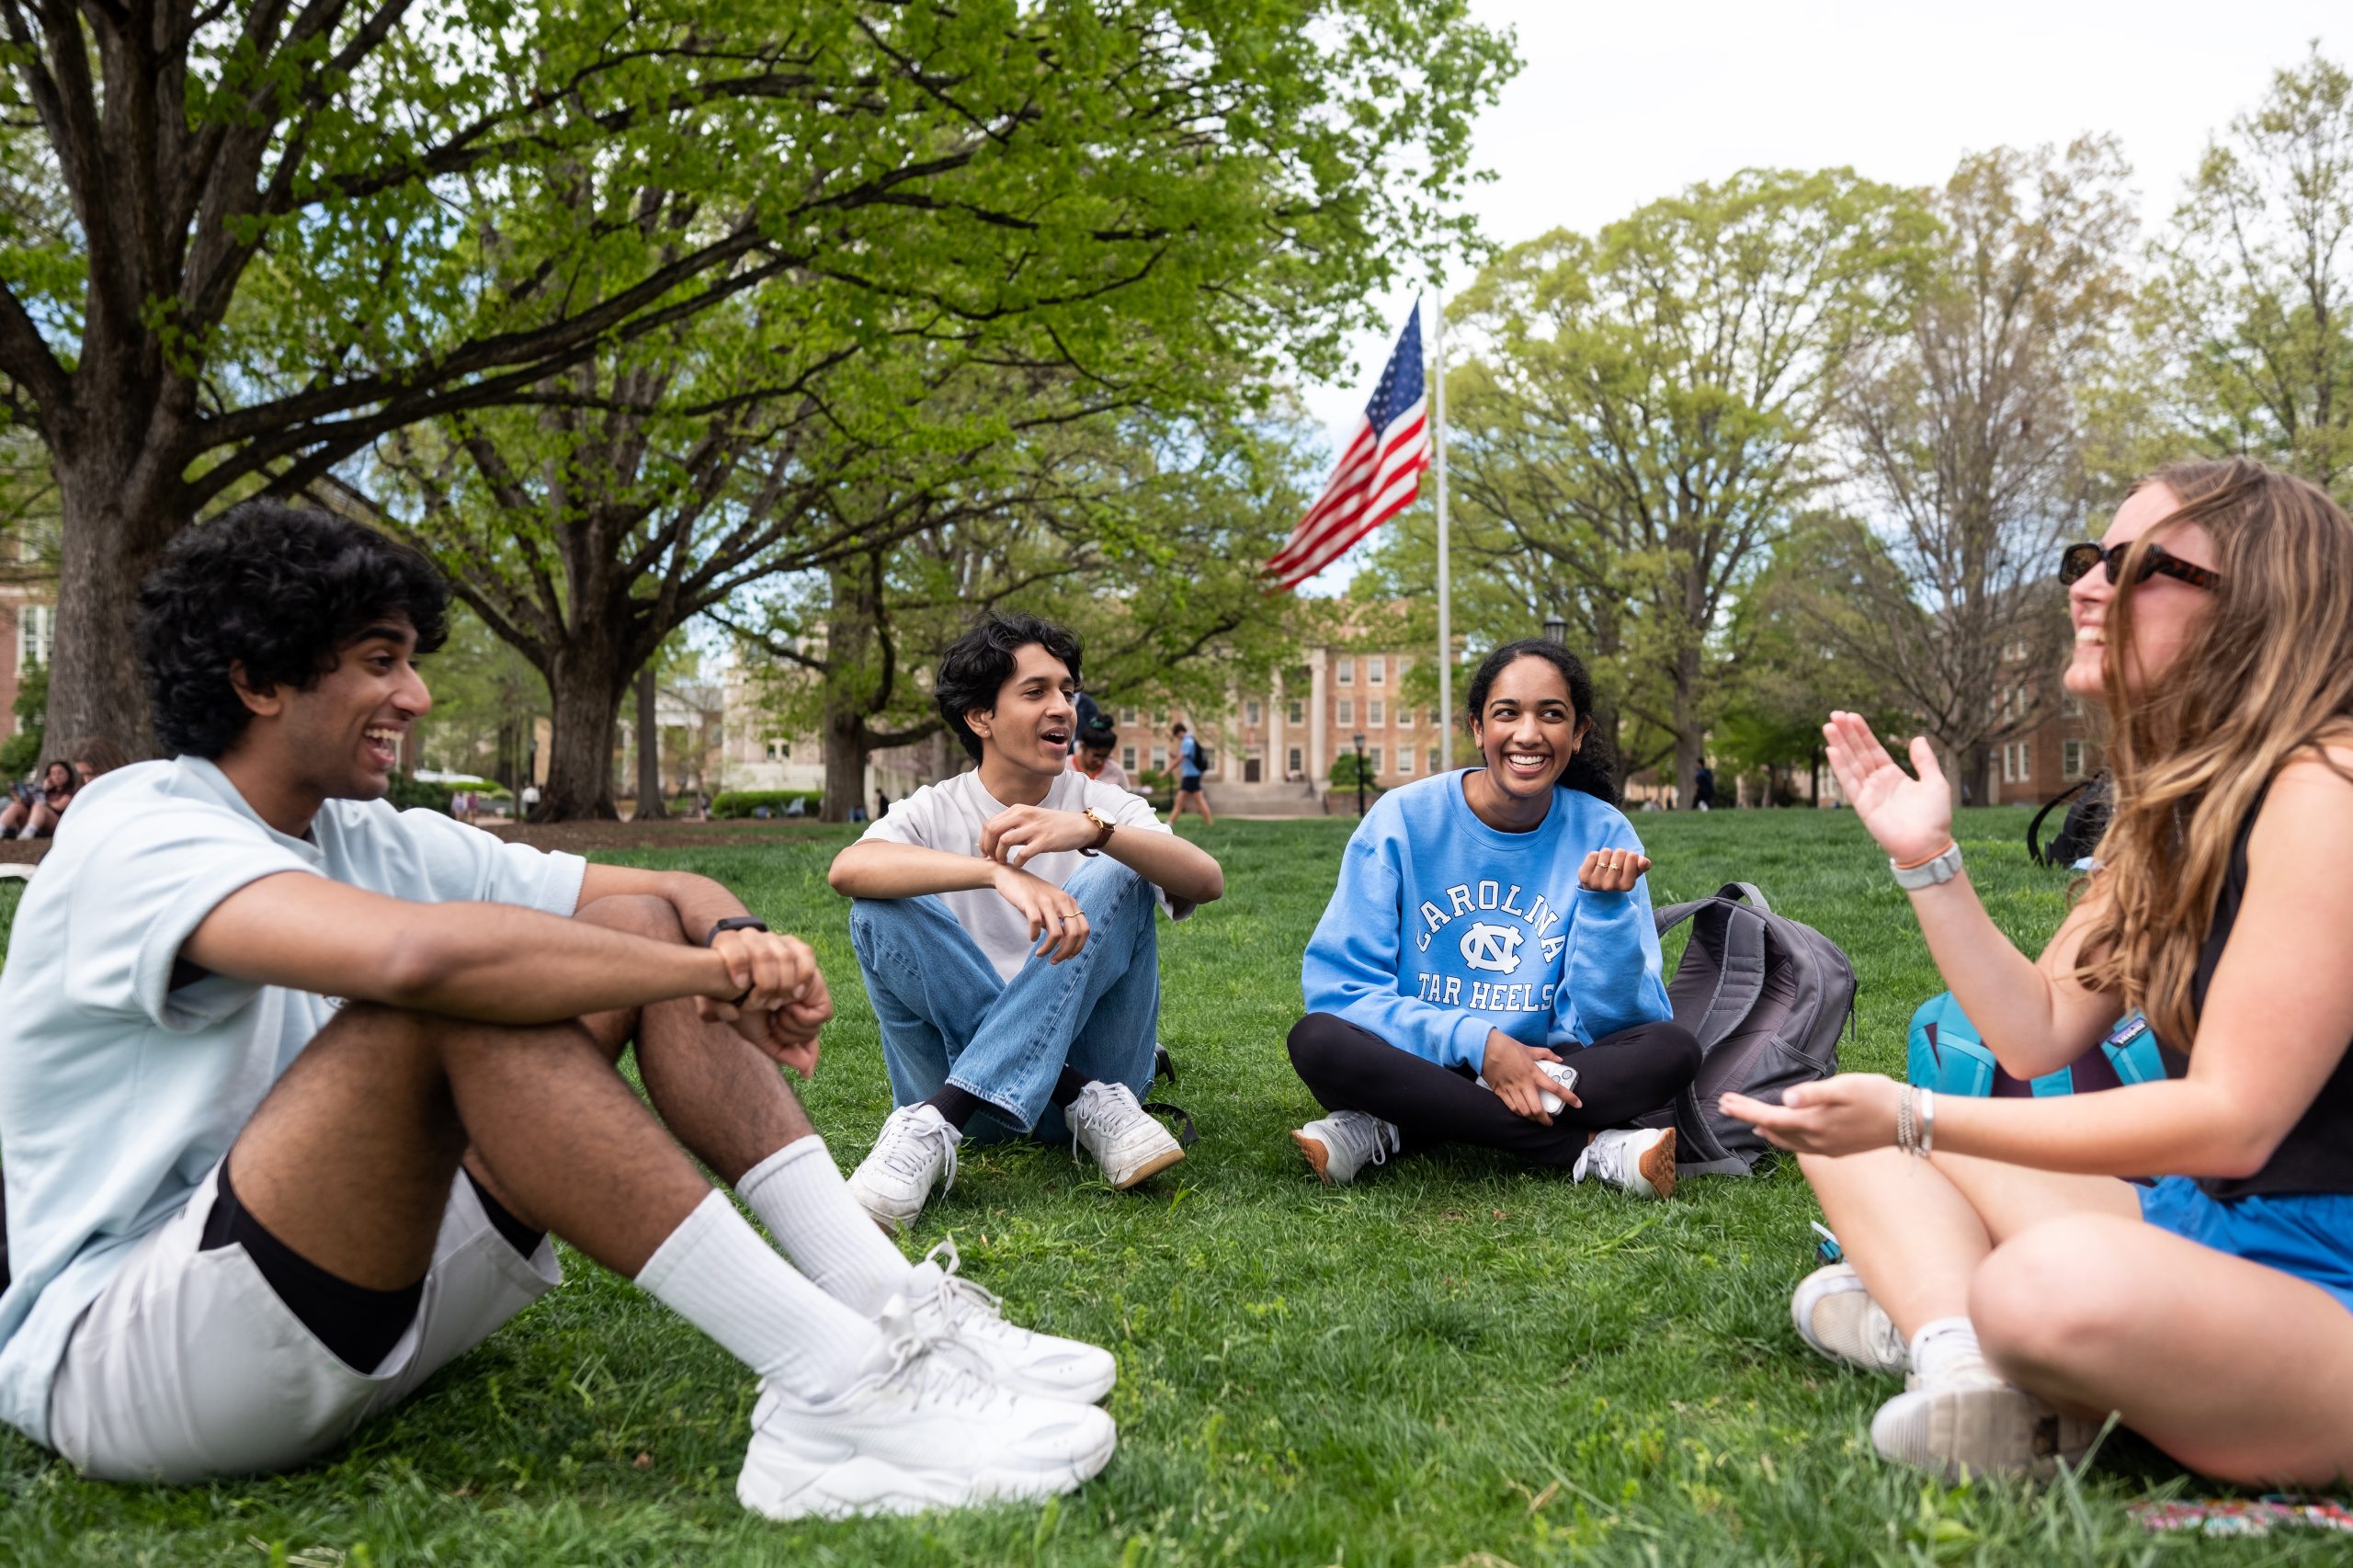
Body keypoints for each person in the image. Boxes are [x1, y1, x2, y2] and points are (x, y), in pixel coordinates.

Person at [0, 501, 1116, 1516]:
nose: (418, 695)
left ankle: (879, 1302)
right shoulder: (136, 824)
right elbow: (417, 959)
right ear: (257, 679)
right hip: (141, 1358)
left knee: (632, 929)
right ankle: (829, 1381)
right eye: (381, 662)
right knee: (451, 997)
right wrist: (699, 979)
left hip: (359, 1298)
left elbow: (669, 895)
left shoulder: (367, 833)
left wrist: (736, 941)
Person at [1722, 458, 2353, 1488]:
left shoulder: (2324, 785)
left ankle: (1980, 1321)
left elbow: (2233, 1118)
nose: (2086, 585)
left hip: (2333, 1274)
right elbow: (2039, 1029)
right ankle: (1967, 1370)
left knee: (2040, 1282)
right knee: (1832, 1126)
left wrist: (1917, 1116)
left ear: (2257, 609)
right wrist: (1926, 859)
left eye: (2136, 564)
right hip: (2218, 1225)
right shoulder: (2172, 804)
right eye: (2087, 557)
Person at [827, 613, 1225, 1231]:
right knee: (879, 903)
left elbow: (1206, 880)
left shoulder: (1102, 803)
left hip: (1095, 1081)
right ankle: (1072, 1093)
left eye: (1066, 690)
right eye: (1035, 691)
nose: (1063, 708)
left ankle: (935, 1122)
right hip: (1012, 1092)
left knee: (1119, 871)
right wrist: (992, 872)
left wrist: (1097, 832)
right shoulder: (937, 809)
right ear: (979, 716)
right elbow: (849, 869)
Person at [1284, 639, 1699, 1199]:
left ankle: (1399, 1121)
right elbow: (1341, 992)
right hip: (1419, 1053)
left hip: (1549, 1061)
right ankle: (1588, 1151)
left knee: (1672, 1051)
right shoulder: (1402, 820)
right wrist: (1479, 1043)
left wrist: (1604, 914)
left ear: (1577, 735)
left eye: (1552, 715)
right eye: (1508, 713)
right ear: (1478, 728)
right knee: (1318, 1040)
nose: (1528, 734)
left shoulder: (1603, 833)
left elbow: (1623, 1022)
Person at [0, 759, 77, 839]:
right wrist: (44, 789)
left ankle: (28, 832)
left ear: (68, 774)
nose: (56, 777)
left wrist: (42, 800)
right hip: (37, 822)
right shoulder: (47, 791)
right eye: (53, 774)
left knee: (39, 805)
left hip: (57, 824)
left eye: (60, 773)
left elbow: (59, 806)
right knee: (16, 806)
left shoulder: (70, 792)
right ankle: (1, 828)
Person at [1070, 715, 1132, 792]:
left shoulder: (1116, 772)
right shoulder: (1064, 768)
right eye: (1096, 755)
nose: (1100, 762)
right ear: (1083, 746)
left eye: (1105, 756)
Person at [1167, 721, 1212, 828]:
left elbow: (1181, 759)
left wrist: (1166, 771)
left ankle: (1169, 824)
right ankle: (1209, 824)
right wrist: (1175, 756)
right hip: (1192, 775)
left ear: (1179, 732)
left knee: (1181, 801)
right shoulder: (1190, 740)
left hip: (1191, 775)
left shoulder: (1187, 741)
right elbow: (1184, 758)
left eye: (1176, 735)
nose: (1177, 738)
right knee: (1193, 800)